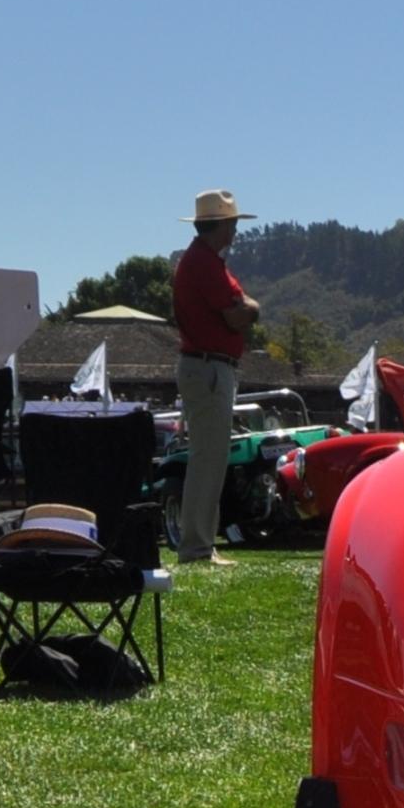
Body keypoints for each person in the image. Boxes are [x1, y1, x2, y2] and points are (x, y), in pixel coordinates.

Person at [172, 188, 261, 565]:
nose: (235, 231)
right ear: (222, 224)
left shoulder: (205, 262)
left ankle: (201, 544)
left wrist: (246, 307)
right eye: (233, 223)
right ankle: (197, 547)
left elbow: (239, 307)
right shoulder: (206, 265)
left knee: (209, 457)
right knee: (209, 457)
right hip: (209, 368)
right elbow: (237, 313)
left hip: (208, 367)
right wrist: (252, 308)